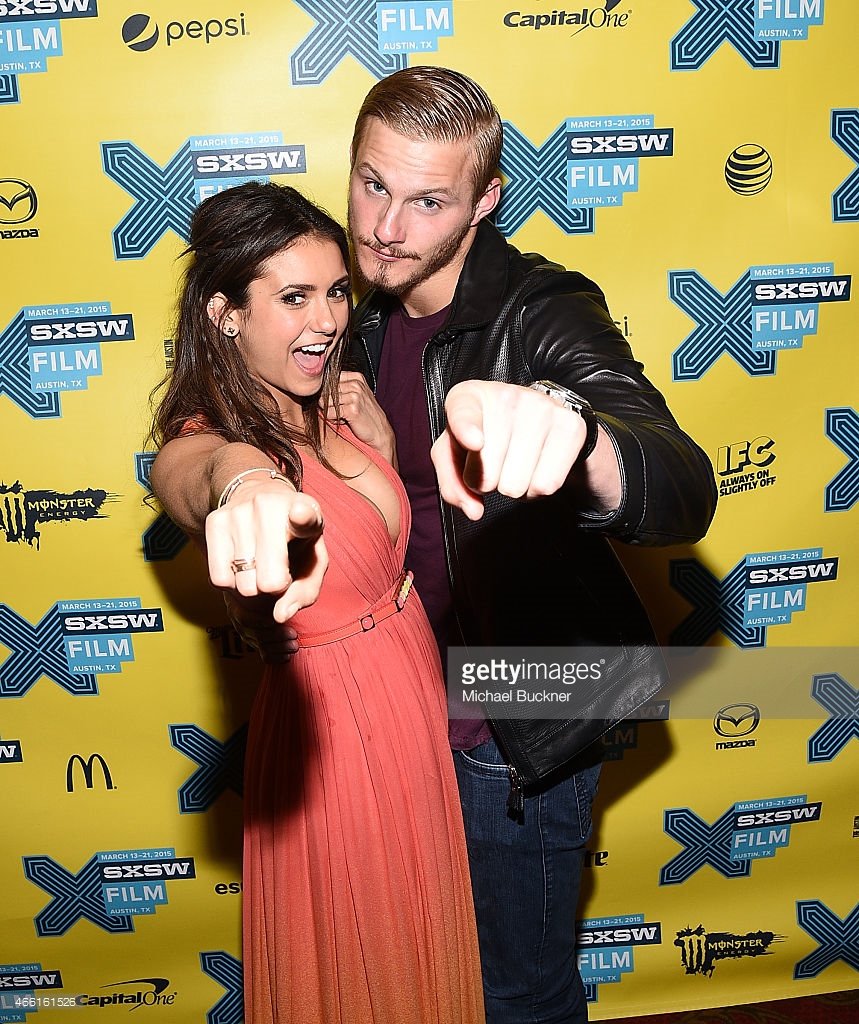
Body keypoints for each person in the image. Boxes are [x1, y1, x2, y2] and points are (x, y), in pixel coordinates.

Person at [157, 69, 718, 1024]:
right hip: (402, 709)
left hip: (516, 710)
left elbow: (682, 482)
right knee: (421, 972)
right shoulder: (355, 311)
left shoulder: (538, 311)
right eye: (372, 184)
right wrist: (243, 482)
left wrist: (580, 437)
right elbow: (205, 448)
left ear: (483, 201)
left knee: (513, 990)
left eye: (428, 201)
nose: (384, 228)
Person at [148, 181, 485, 1024]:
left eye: (335, 291)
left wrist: (383, 449)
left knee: (417, 945)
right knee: (360, 964)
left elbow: (380, 545)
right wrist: (248, 486)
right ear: (225, 313)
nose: (328, 319)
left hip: (408, 690)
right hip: (334, 729)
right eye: (293, 297)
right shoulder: (206, 437)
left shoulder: (335, 403)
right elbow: (199, 476)